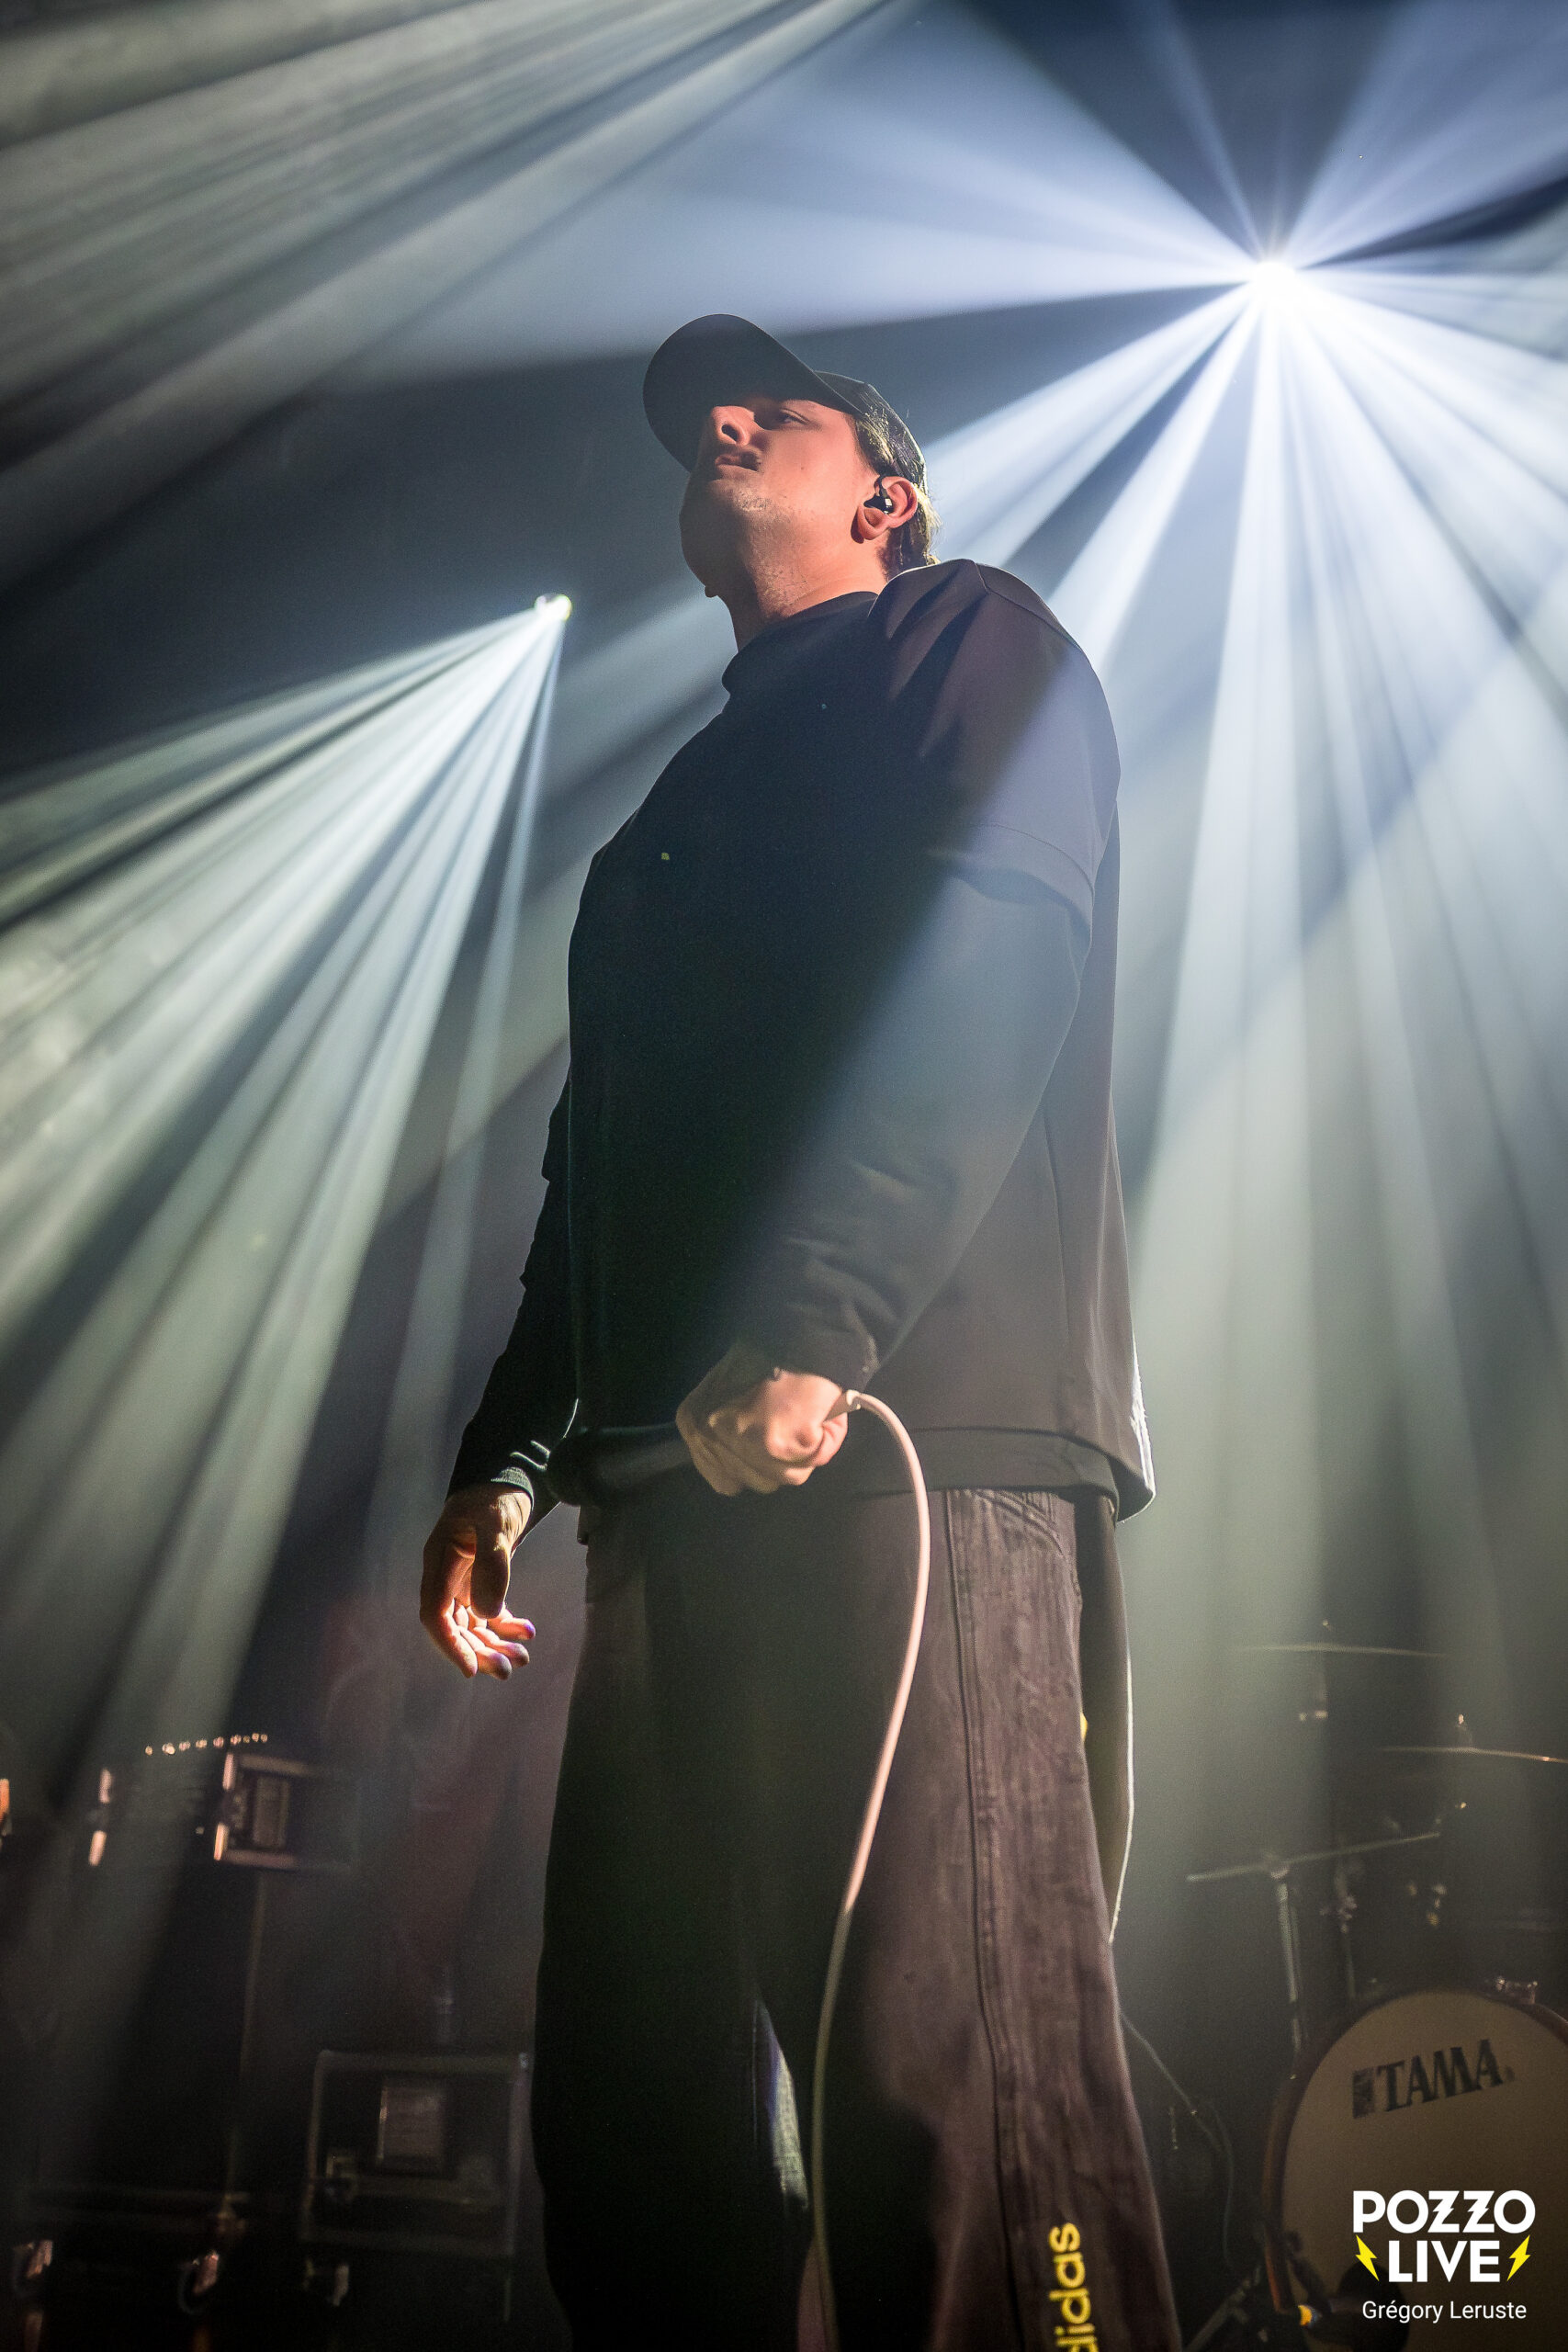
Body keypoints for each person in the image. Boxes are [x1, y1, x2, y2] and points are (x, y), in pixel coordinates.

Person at [420, 314, 1178, 2352]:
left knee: (944, 2074)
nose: (724, 424)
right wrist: (508, 1460)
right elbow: (593, 1167)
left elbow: (997, 952)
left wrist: (822, 1323)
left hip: (907, 1442)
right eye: (702, 420)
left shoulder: (968, 639)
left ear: (886, 494)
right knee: (635, 2108)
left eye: (777, 407)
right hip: (666, 1497)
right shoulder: (668, 816)